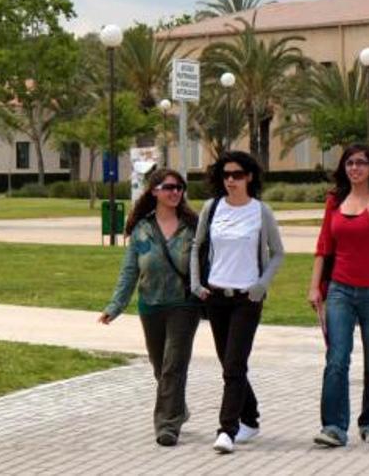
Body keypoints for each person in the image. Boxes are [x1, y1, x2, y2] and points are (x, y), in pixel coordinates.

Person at [308, 144, 369, 448]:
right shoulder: (335, 201)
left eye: (361, 163)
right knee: (336, 358)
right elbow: (324, 246)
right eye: (350, 163)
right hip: (340, 290)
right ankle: (334, 427)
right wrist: (315, 287)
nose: (355, 168)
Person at [189, 151, 285, 454]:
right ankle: (251, 418)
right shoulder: (211, 207)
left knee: (233, 365)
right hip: (216, 297)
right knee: (231, 364)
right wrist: (196, 283)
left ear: (250, 177)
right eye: (226, 175)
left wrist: (261, 285)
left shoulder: (261, 211)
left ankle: (226, 430)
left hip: (247, 298)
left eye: (237, 175)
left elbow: (278, 253)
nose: (231, 180)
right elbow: (197, 246)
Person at [99, 168, 202, 446]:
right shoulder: (142, 227)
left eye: (180, 188)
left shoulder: (193, 226)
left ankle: (167, 426)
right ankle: (177, 408)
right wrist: (115, 305)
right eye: (169, 187)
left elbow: (208, 264)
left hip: (184, 304)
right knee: (160, 366)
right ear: (154, 191)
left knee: (173, 365)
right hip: (151, 305)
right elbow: (129, 271)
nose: (175, 192)